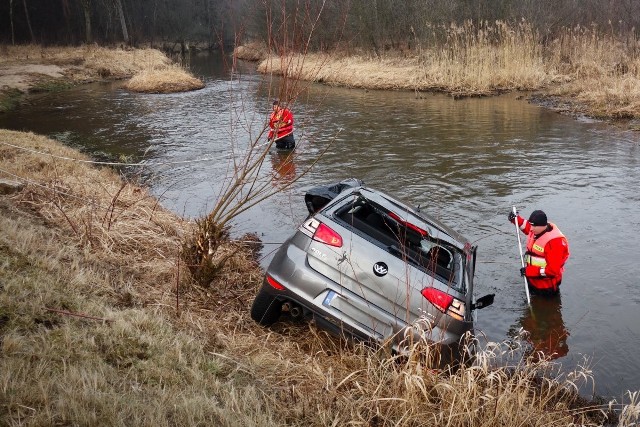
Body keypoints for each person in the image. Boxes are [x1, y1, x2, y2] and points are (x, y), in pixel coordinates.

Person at [508, 209, 570, 296]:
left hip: (546, 286)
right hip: (532, 279)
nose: (531, 229)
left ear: (542, 226)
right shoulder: (537, 228)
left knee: (547, 307)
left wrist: (529, 271)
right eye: (531, 225)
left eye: (533, 226)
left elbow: (552, 271)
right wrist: (515, 219)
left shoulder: (555, 243)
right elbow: (526, 226)